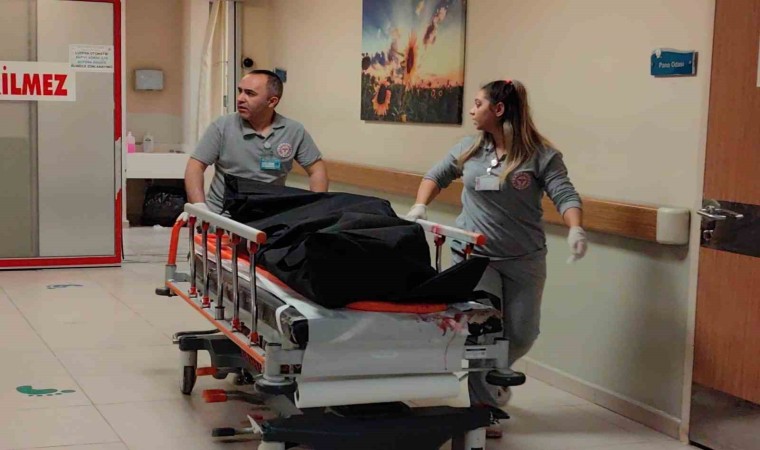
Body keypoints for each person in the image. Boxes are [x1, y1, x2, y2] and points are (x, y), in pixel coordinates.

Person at [405, 79, 587, 438]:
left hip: (524, 257)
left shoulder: (541, 155)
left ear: (499, 109)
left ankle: (494, 375)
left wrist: (575, 228)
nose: (472, 110)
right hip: (475, 255)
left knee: (522, 332)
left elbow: (565, 194)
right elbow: (436, 175)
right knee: (484, 332)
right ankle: (483, 410)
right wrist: (420, 205)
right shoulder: (469, 148)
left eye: (478, 104)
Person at [183, 69, 328, 217]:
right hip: (223, 217)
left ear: (272, 101)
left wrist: (316, 210)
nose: (240, 98)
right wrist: (199, 207)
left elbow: (317, 170)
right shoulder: (223, 126)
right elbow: (195, 166)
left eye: (250, 93)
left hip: (269, 217)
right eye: (240, 91)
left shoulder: (293, 131)